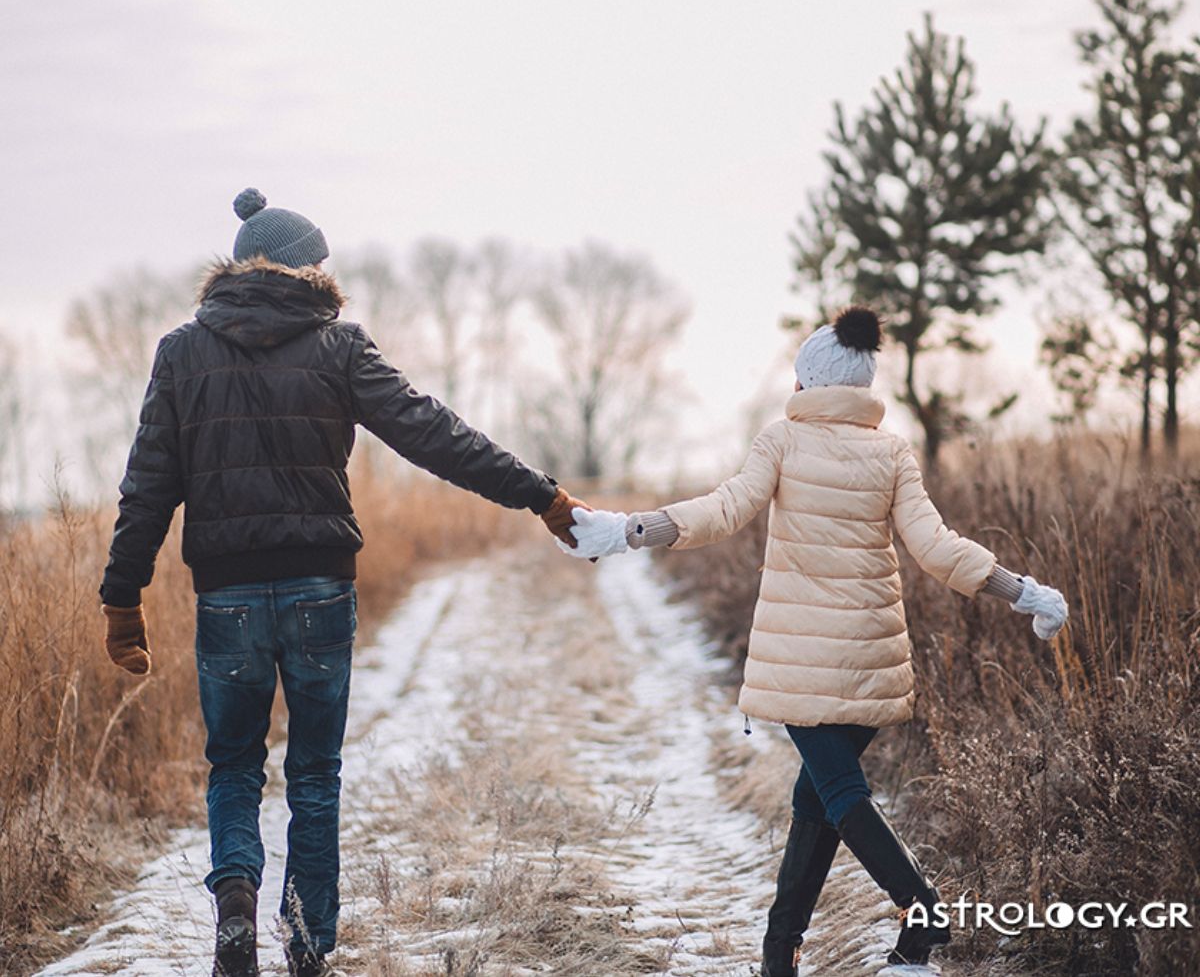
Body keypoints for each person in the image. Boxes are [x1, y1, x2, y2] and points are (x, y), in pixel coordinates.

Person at [98, 188, 587, 977]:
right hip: (320, 590)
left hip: (226, 596)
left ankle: (234, 905)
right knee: (314, 773)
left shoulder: (182, 352)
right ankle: (307, 948)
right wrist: (540, 494)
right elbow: (436, 434)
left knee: (233, 766)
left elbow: (147, 484)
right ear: (298, 268)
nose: (328, 273)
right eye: (319, 261)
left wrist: (122, 597)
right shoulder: (337, 347)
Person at [560, 306, 1068, 974]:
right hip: (872, 658)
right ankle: (780, 954)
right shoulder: (890, 451)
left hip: (803, 665)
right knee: (817, 801)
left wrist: (627, 531)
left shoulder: (782, 440)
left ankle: (924, 914)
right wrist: (1021, 590)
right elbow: (936, 548)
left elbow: (724, 510)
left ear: (807, 384)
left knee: (838, 795)